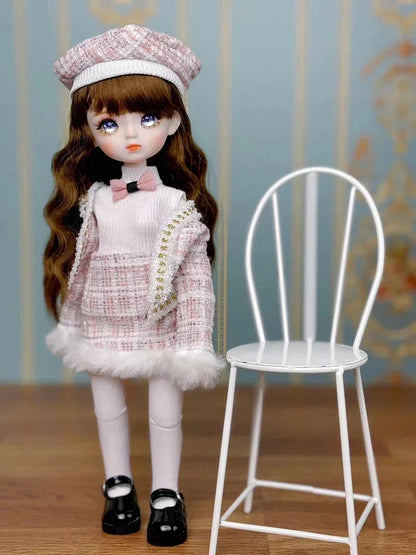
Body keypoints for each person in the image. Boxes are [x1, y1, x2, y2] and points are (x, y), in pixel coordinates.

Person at [43, 24, 223, 547]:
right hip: (102, 318)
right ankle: (117, 485)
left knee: (165, 412)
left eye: (148, 118)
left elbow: (195, 279)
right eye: (109, 123)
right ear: (88, 130)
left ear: (172, 121)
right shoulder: (96, 199)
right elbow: (82, 266)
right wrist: (72, 323)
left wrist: (194, 342)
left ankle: (166, 494)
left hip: (159, 318)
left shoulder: (175, 204)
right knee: (108, 406)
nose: (131, 136)